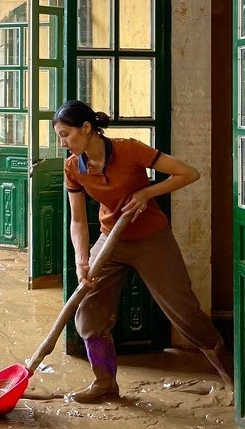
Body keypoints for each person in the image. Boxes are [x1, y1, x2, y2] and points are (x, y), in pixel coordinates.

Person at [54, 100, 233, 403]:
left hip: (152, 239)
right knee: (89, 315)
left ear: (86, 128)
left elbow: (189, 173)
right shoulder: (73, 166)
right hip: (110, 239)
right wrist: (81, 260)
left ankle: (231, 378)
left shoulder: (129, 149)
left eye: (65, 134)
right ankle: (105, 383)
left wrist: (146, 192)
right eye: (59, 136)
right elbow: (78, 220)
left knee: (185, 313)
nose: (62, 143)